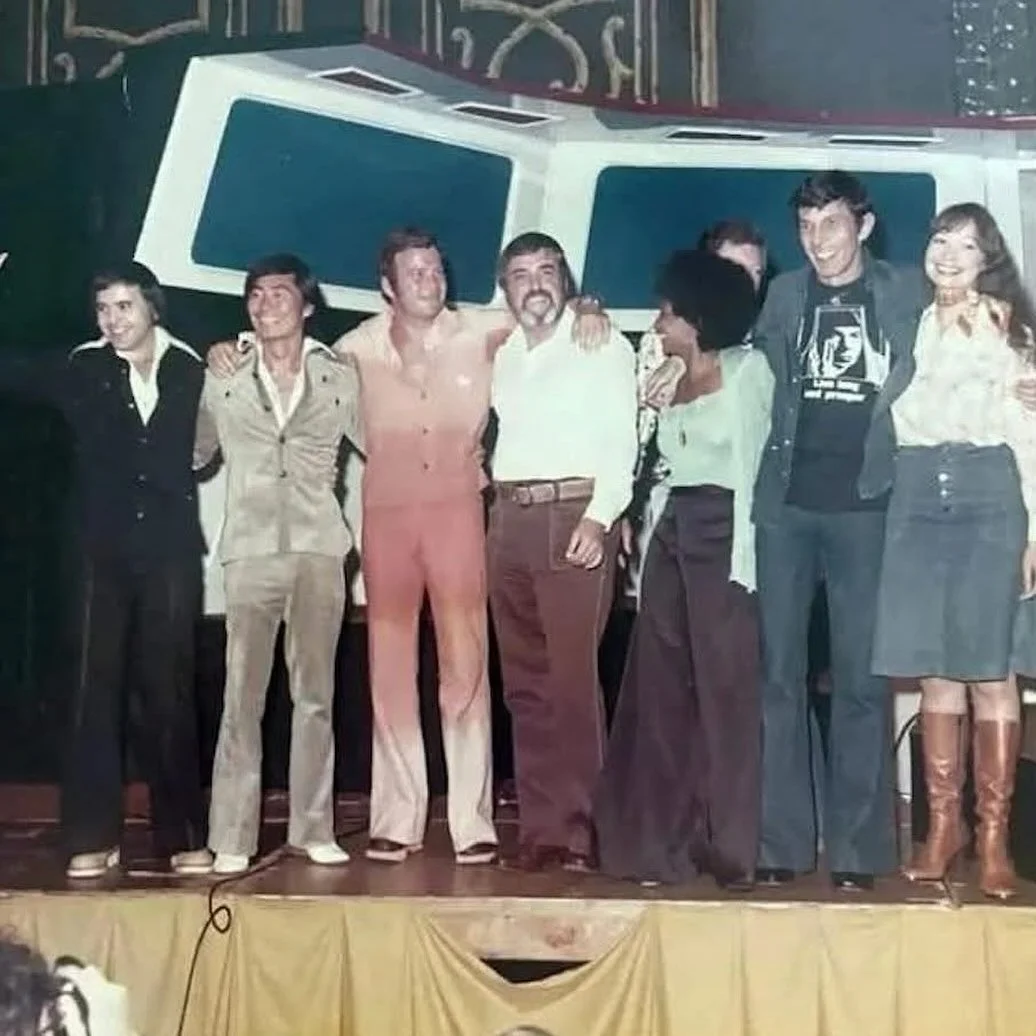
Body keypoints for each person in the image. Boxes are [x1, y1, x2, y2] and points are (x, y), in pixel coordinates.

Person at [205, 229, 608, 868]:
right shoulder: (350, 350)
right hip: (387, 516)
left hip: (458, 511)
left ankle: (472, 821)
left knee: (466, 665)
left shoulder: (485, 331)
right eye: (414, 272)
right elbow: (281, 360)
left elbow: (547, 311)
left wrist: (588, 307)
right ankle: (397, 818)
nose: (429, 280)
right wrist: (226, 347)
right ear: (387, 287)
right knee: (389, 666)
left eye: (435, 269)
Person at [0, 262, 212, 879]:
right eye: (103, 309)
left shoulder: (191, 369)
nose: (113, 320)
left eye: (124, 307)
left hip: (170, 548)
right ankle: (92, 835)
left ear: (152, 308)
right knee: (92, 689)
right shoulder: (82, 367)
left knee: (170, 690)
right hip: (96, 548)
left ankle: (183, 835)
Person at [752, 171, 928, 891]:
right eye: (806, 226)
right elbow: (736, 357)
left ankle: (858, 852)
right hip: (786, 508)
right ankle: (781, 844)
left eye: (831, 224)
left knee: (861, 682)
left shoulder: (907, 290)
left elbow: (976, 329)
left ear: (864, 225)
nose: (818, 240)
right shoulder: (783, 295)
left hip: (868, 506)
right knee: (778, 677)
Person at [872, 204, 1036, 900]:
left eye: (967, 246)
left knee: (991, 670)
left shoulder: (1009, 329)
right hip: (915, 494)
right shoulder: (907, 321)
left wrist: (1034, 532)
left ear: (986, 260)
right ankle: (943, 832)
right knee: (935, 669)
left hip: (989, 493)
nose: (949, 254)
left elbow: (1027, 433)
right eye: (941, 239)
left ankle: (993, 838)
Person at [593, 250, 771, 888]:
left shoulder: (747, 371)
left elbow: (756, 469)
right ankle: (657, 844)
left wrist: (748, 560)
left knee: (727, 692)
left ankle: (731, 848)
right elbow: (658, 470)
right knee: (660, 688)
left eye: (668, 313)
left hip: (727, 534)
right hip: (674, 533)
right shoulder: (667, 377)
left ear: (698, 317)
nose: (658, 323)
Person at [195, 254, 363, 874]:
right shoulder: (224, 373)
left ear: (307, 305)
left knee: (315, 697)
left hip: (320, 549)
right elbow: (192, 451)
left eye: (279, 294)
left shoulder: (340, 375)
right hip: (249, 551)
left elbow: (383, 442)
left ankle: (313, 828)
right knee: (241, 699)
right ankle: (232, 837)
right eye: (256, 295)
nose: (266, 305)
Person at [488, 232, 638, 872]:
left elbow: (623, 441)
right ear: (506, 289)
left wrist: (600, 519)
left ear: (566, 281)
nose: (535, 285)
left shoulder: (599, 343)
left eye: (547, 271)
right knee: (525, 686)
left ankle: (583, 831)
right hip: (508, 519)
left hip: (572, 513)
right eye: (521, 274)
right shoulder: (504, 354)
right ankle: (541, 830)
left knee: (572, 681)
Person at [627, 222, 768, 600]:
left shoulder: (763, 345)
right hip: (665, 510)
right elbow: (639, 438)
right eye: (734, 269)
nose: (745, 282)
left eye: (756, 272)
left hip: (726, 520)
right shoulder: (662, 343)